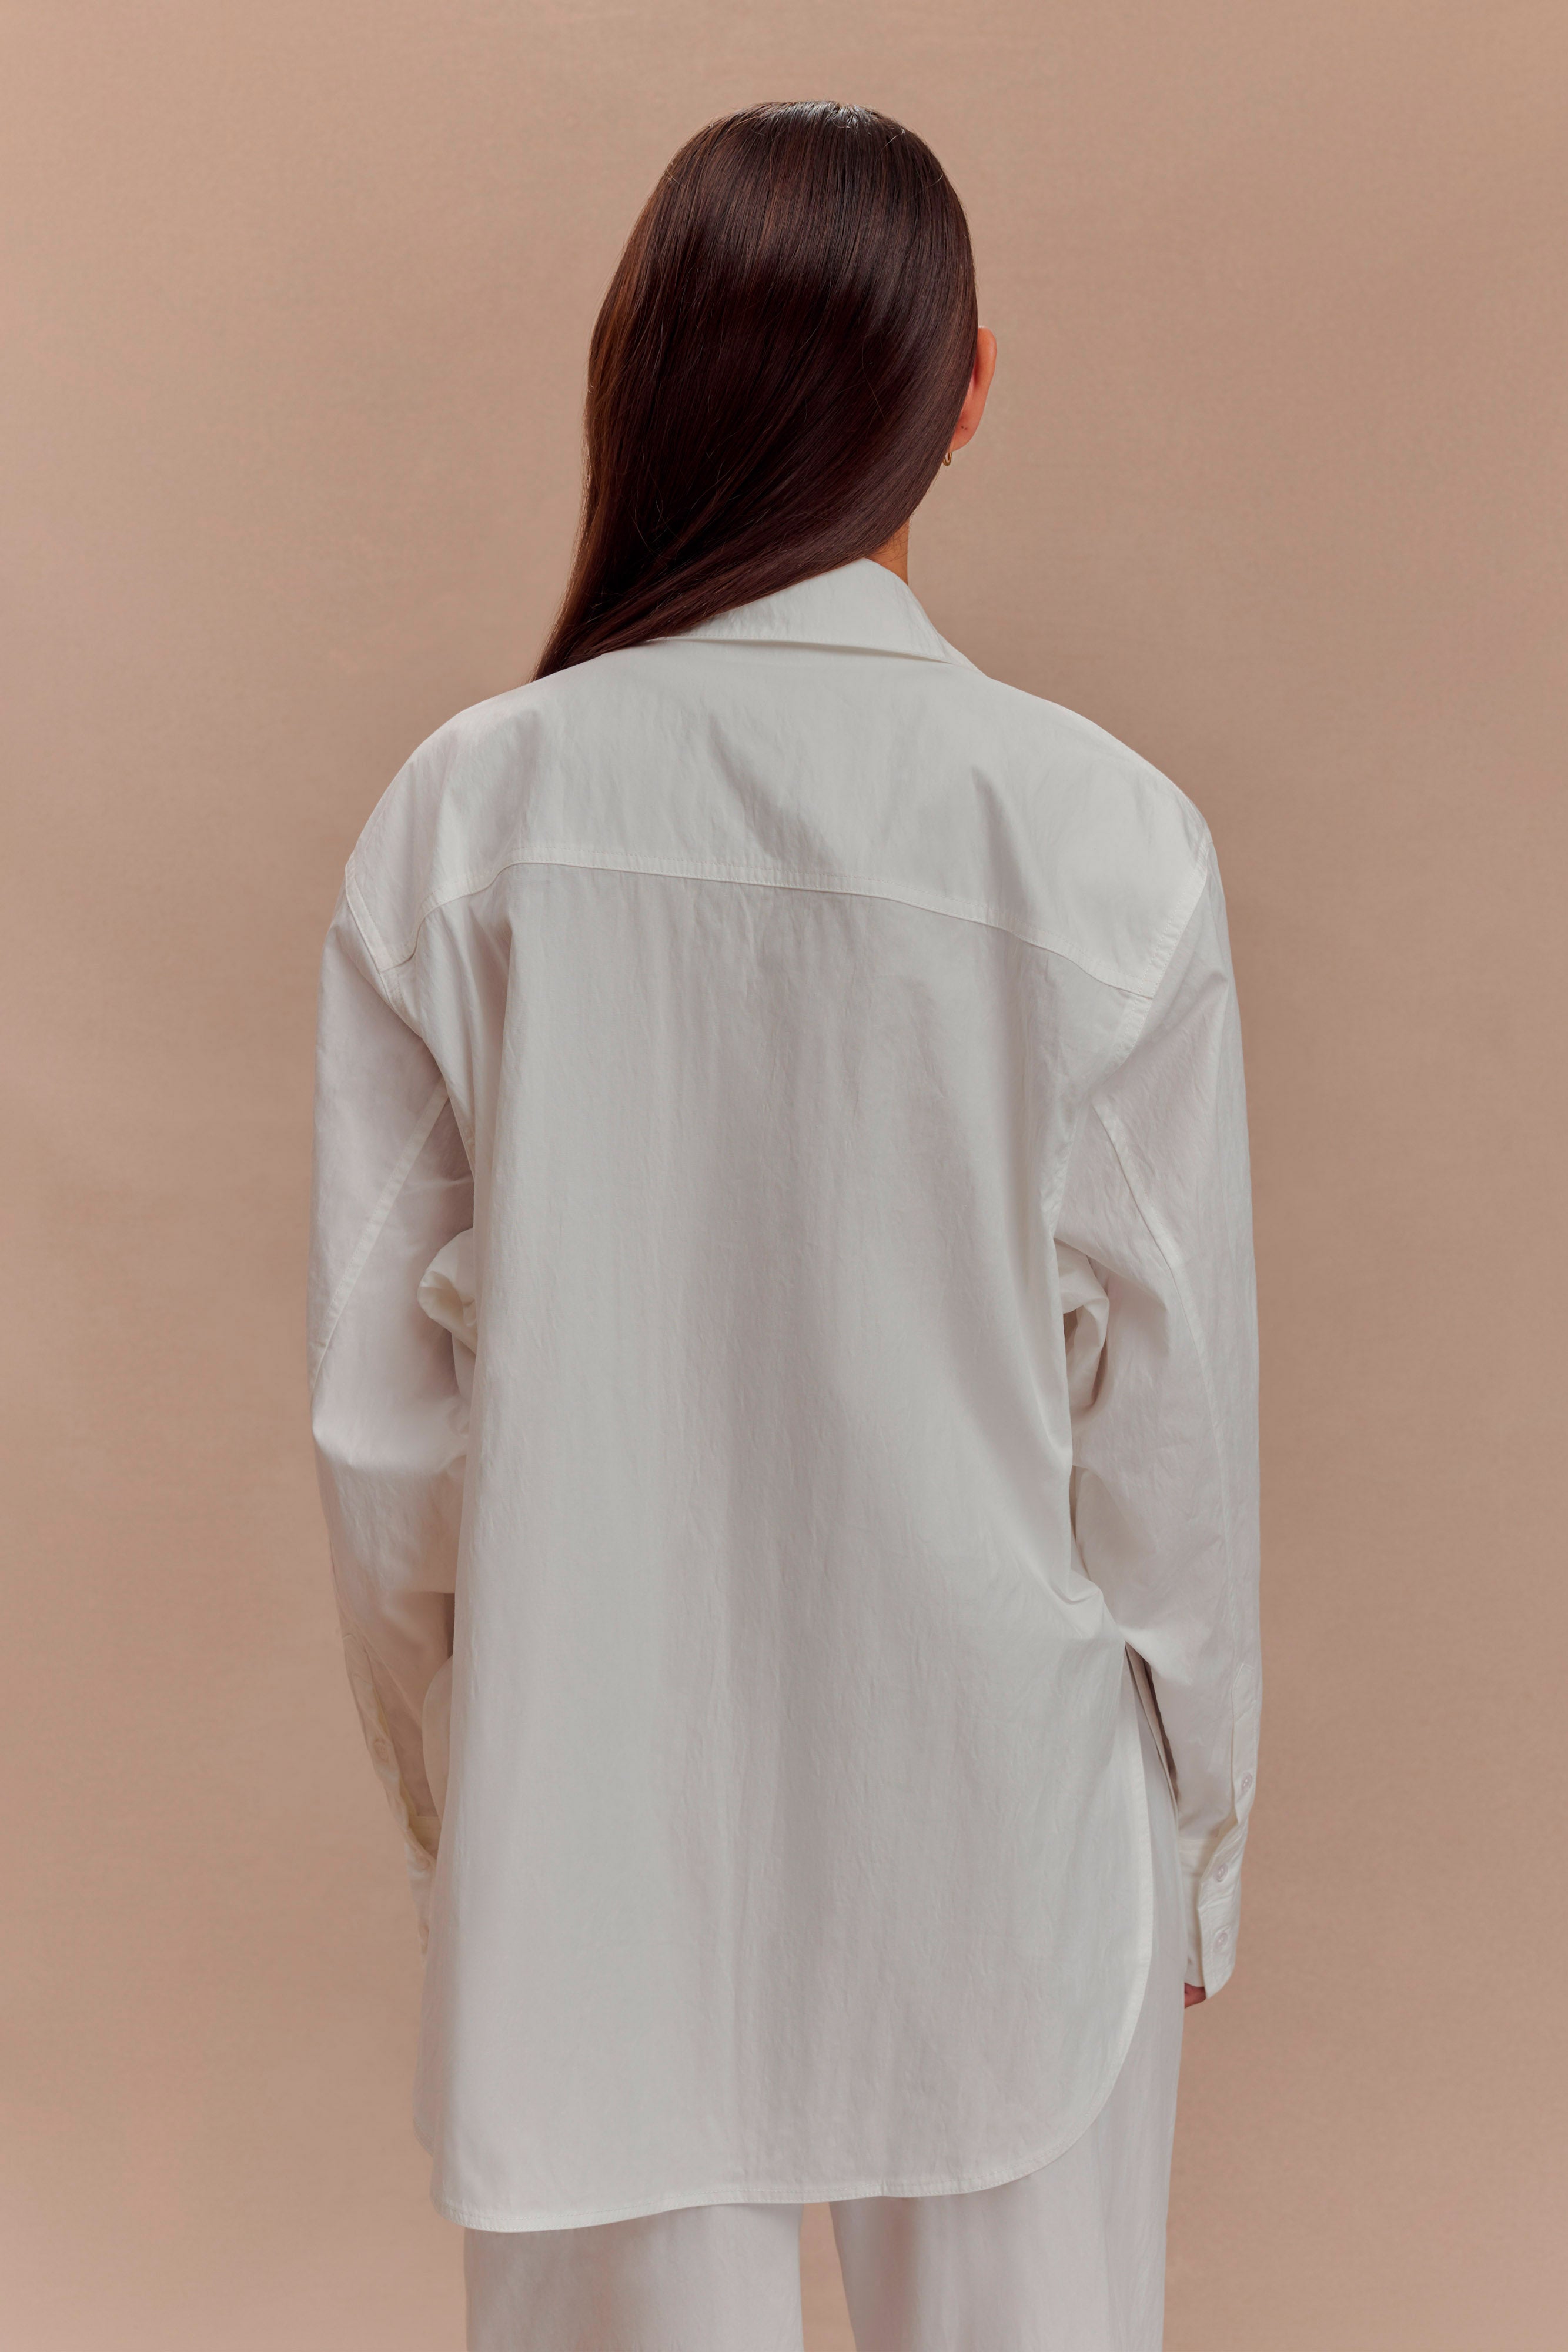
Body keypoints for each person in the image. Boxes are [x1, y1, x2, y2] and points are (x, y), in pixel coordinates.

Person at [308, 99, 1260, 2352]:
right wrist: (1198, 1846)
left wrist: (474, 1798)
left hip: (598, 1818)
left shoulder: (468, 822)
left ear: (643, 382)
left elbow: (389, 1445)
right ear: (967, 388)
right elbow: (1170, 1451)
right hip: (1013, 1825)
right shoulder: (1106, 839)